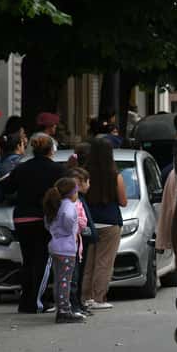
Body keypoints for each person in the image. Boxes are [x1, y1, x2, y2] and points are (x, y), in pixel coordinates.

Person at [0, 135, 64, 314]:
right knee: (42, 260)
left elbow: (6, 187)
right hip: (42, 219)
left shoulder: (22, 167)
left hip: (21, 219)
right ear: (51, 150)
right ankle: (39, 301)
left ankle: (25, 301)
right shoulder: (57, 170)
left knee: (27, 260)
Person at [82, 137, 127, 310]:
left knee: (88, 262)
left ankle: (85, 297)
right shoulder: (115, 176)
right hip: (110, 222)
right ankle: (98, 298)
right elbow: (123, 202)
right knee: (104, 263)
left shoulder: (84, 174)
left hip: (88, 222)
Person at [43, 177, 85, 324]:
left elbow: (47, 223)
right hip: (66, 248)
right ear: (72, 192)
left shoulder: (56, 204)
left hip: (55, 246)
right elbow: (68, 218)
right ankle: (64, 310)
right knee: (65, 281)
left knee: (59, 280)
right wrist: (68, 230)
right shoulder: (68, 206)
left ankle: (61, 308)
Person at [65, 166, 96, 317]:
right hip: (73, 243)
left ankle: (77, 303)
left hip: (79, 243)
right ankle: (73, 305)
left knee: (79, 274)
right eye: (87, 181)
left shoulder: (80, 200)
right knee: (73, 276)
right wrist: (87, 230)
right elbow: (82, 222)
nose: (89, 185)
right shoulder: (72, 204)